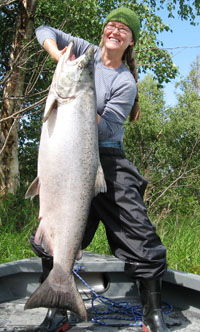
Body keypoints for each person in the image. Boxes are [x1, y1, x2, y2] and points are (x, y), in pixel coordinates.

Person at [31, 7, 169, 332]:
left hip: (108, 160)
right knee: (51, 232)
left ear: (131, 41)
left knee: (143, 236)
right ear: (104, 31)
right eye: (112, 25)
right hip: (69, 158)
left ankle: (152, 315)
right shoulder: (85, 53)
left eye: (124, 29)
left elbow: (105, 130)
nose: (115, 31)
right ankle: (57, 312)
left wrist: (77, 103)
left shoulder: (125, 81)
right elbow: (43, 30)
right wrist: (58, 54)